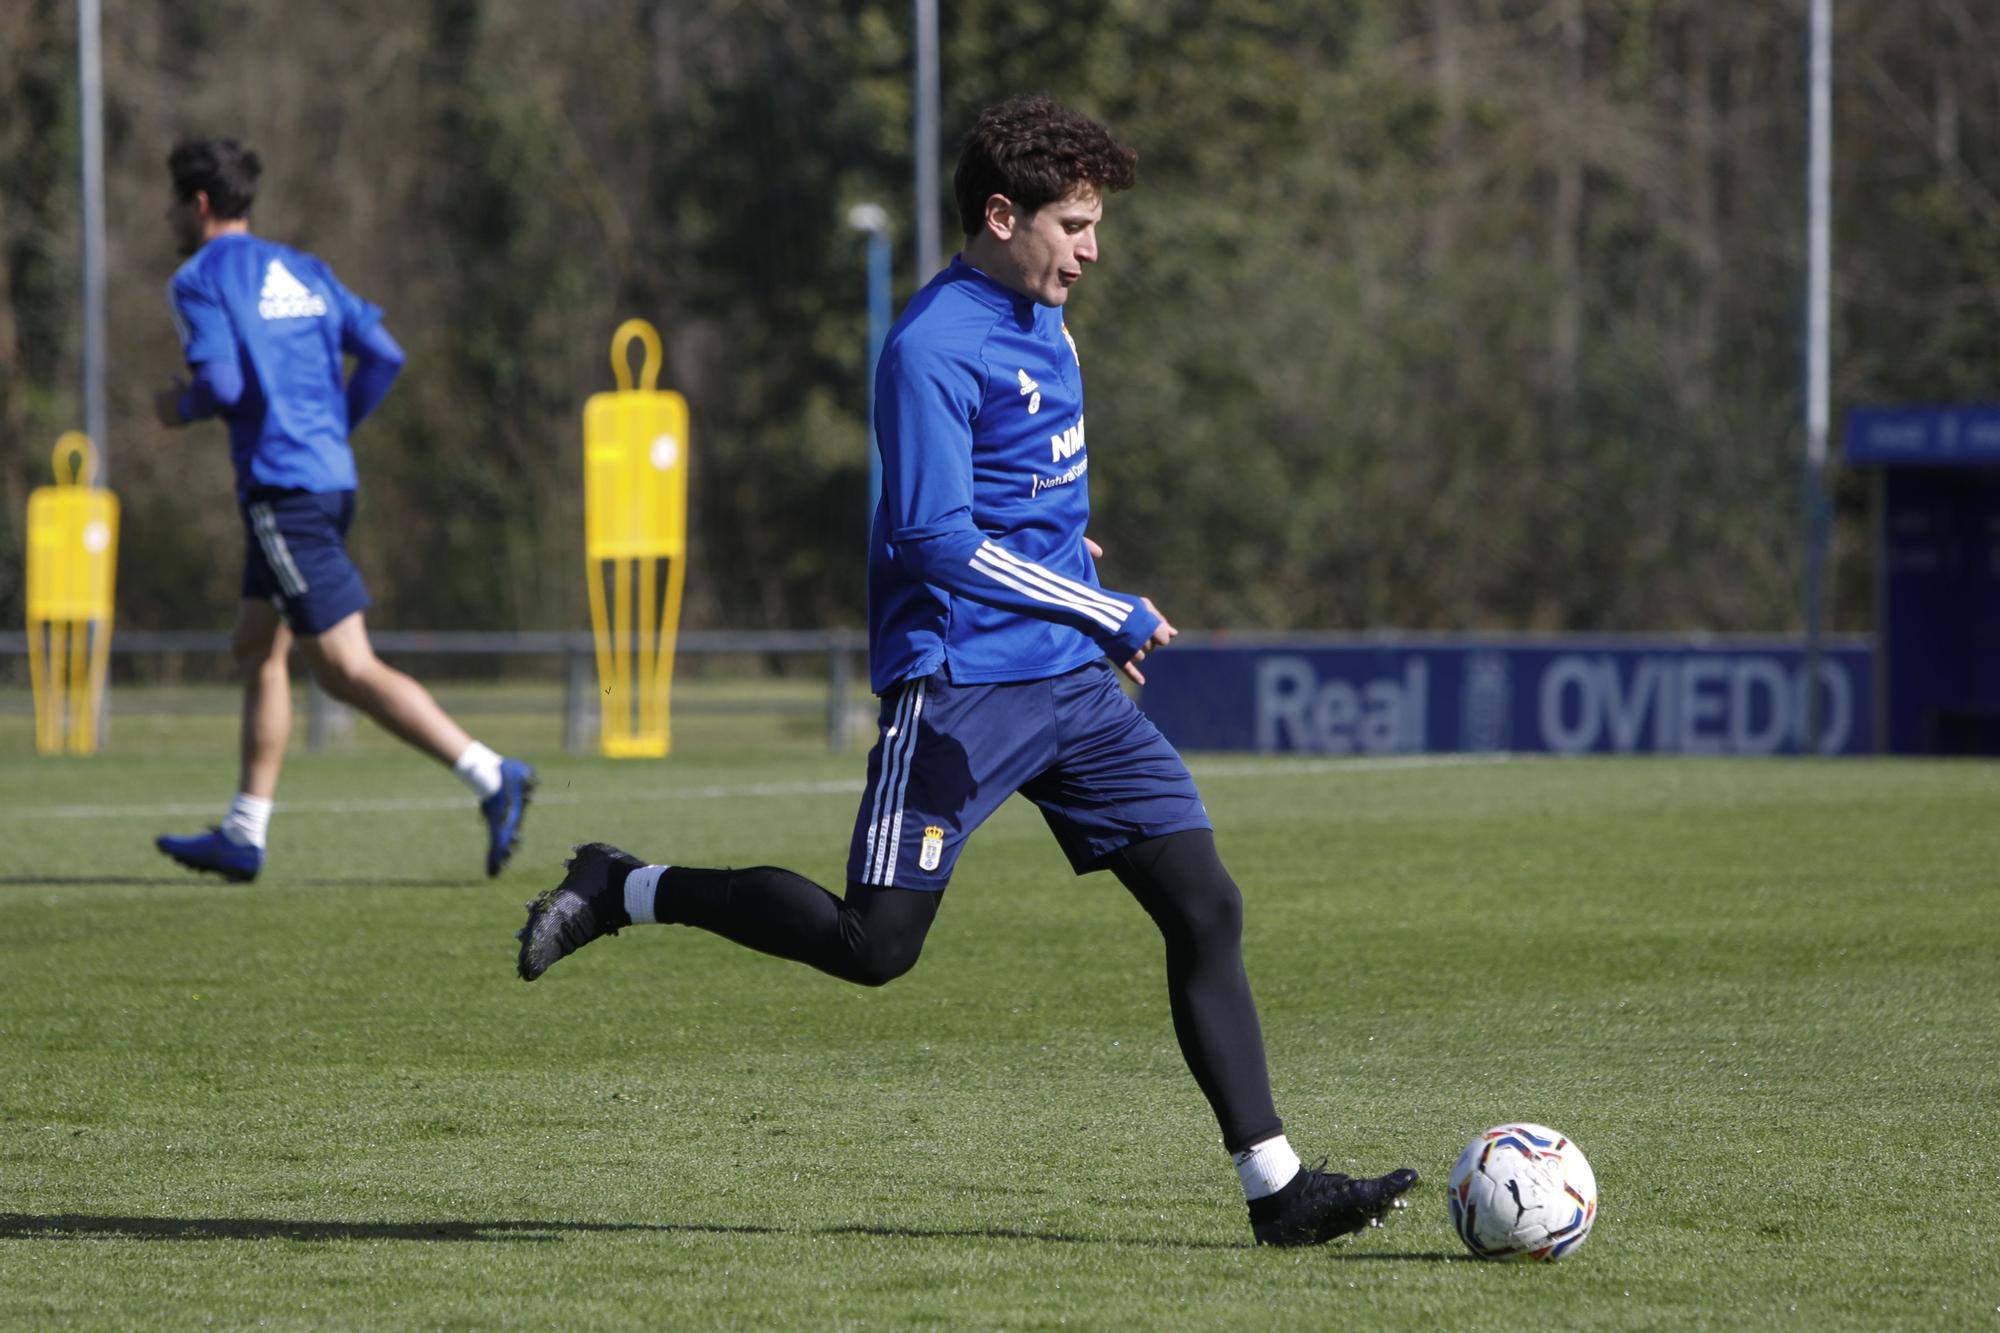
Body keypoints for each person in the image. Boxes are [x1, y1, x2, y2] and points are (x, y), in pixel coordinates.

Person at [514, 96, 1415, 1246]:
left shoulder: (1050, 319)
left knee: (1204, 904)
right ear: (1001, 215)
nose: (1091, 249)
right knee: (872, 946)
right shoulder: (927, 347)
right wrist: (1104, 604)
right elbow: (933, 537)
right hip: (960, 687)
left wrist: (1072, 567)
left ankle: (1275, 1190)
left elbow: (1026, 491)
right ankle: (624, 883)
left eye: (1093, 224)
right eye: (1073, 224)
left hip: (1073, 686)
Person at [152, 137, 534, 884]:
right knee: (255, 646)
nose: (168, 214)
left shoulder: (199, 277)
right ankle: (243, 831)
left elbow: (224, 388)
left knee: (343, 669)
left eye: (172, 201)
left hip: (282, 488)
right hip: (328, 478)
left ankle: (492, 774)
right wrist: (333, 428)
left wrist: (179, 406)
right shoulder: (306, 269)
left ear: (197, 204)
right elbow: (384, 354)